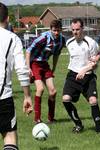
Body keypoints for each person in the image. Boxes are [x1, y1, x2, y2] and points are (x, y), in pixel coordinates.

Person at [0, 2, 33, 150]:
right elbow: (21, 69)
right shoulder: (12, 38)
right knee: (10, 137)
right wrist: (27, 96)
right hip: (3, 97)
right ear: (7, 19)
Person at [62, 18, 100, 133]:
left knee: (93, 100)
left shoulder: (91, 43)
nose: (75, 32)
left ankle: (99, 130)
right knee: (65, 99)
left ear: (83, 29)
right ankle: (78, 125)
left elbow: (95, 64)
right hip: (72, 75)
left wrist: (84, 70)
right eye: (73, 29)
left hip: (88, 76)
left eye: (77, 29)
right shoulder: (69, 42)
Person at [26, 19, 65, 123]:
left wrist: (53, 69)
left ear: (61, 30)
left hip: (45, 64)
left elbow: (56, 55)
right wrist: (28, 68)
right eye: (54, 30)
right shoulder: (43, 37)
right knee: (40, 89)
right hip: (35, 63)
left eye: (58, 30)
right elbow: (28, 50)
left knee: (53, 92)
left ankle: (51, 119)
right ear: (50, 29)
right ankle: (37, 119)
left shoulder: (62, 40)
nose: (56, 33)